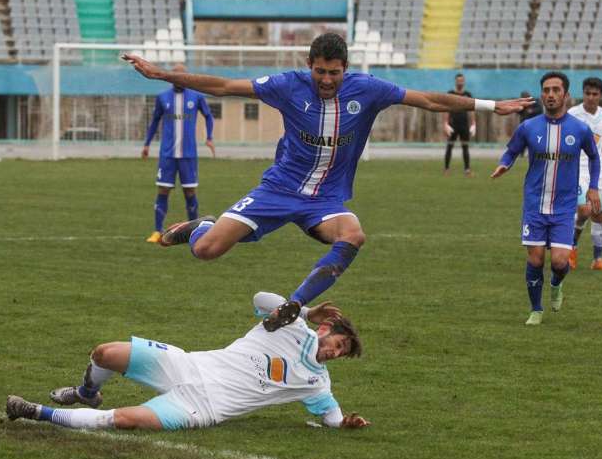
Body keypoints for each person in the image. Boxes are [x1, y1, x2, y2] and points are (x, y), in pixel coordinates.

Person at [123, 33, 533, 330]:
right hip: (279, 189)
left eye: (334, 73)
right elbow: (227, 87)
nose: (326, 80)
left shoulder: (368, 90)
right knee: (208, 251)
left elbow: (427, 100)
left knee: (354, 234)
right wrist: (161, 75)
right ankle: (203, 227)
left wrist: (490, 105)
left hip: (327, 200)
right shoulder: (287, 86)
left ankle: (295, 304)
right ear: (309, 66)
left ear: (345, 69)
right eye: (320, 71)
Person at [5, 293, 369, 431]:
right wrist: (303, 308)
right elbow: (260, 298)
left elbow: (332, 418)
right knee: (105, 353)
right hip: (187, 365)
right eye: (337, 344)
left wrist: (346, 422)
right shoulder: (291, 325)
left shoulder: (317, 383)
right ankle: (87, 392)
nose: (334, 353)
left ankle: (35, 412)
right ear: (324, 328)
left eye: (341, 354)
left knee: (125, 419)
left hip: (203, 407)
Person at [490, 72, 601, 326]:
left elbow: (594, 157)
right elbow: (511, 150)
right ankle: (536, 309)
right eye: (546, 90)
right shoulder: (529, 127)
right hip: (534, 205)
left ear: (565, 95)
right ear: (542, 94)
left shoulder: (580, 129)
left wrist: (593, 187)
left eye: (555, 90)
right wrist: (504, 164)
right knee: (536, 259)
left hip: (563, 207)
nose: (550, 95)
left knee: (561, 262)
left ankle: (556, 283)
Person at [143, 63, 215, 244]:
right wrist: (146, 144)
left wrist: (209, 137)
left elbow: (208, 115)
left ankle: (195, 231)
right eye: (176, 76)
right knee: (163, 190)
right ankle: (157, 231)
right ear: (170, 77)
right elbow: (154, 122)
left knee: (190, 192)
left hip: (188, 154)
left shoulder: (197, 96)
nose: (180, 79)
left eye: (183, 76)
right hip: (167, 154)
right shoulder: (162, 97)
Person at [567, 77, 602, 270]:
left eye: (595, 94)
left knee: (598, 214)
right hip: (577, 169)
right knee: (584, 210)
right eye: (587, 93)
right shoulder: (572, 114)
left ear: (601, 95)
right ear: (582, 94)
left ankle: (597, 260)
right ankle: (570, 249)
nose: (590, 97)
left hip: (597, 172)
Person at [442, 73, 476, 176]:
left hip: (464, 124)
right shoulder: (450, 93)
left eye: (462, 80)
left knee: (465, 147)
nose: (460, 82)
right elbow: (446, 109)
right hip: (453, 124)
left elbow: (472, 110)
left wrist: (473, 124)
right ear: (455, 81)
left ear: (464, 81)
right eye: (458, 80)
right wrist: (445, 123)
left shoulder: (468, 94)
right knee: (449, 146)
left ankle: (467, 170)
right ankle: (446, 169)